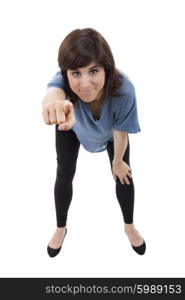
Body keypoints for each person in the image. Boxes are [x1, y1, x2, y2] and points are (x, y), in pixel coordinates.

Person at [42, 28, 146, 257]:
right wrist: (53, 103)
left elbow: (121, 132)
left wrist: (117, 161)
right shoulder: (63, 81)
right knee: (64, 172)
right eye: (76, 73)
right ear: (66, 73)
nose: (85, 84)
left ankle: (129, 226)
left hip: (112, 135)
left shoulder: (124, 90)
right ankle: (61, 228)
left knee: (124, 174)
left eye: (94, 71)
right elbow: (53, 93)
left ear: (107, 69)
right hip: (71, 129)